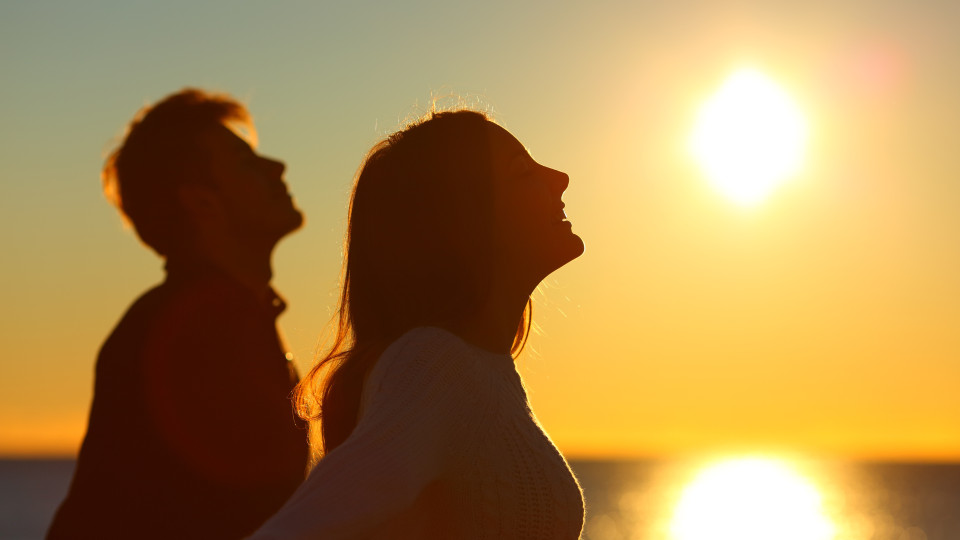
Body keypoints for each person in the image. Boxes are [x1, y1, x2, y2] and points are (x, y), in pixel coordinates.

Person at [250, 110, 586, 539]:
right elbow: (306, 525)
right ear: (466, 221)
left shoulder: (478, 371)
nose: (559, 178)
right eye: (522, 173)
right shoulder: (434, 366)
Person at [47, 89, 310, 539]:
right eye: (247, 163)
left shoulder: (209, 315)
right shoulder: (197, 328)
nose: (277, 167)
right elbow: (253, 510)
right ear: (202, 203)